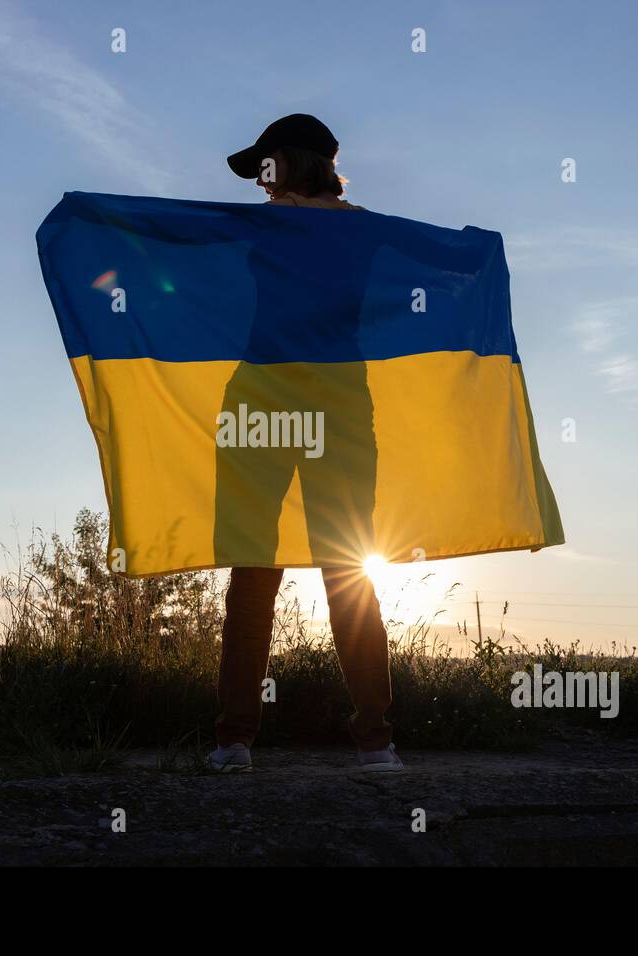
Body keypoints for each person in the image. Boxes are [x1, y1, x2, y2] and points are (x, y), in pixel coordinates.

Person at [208, 114, 403, 774]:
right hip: (260, 402)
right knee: (253, 565)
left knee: (347, 565)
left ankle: (375, 739)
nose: (260, 183)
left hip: (337, 405)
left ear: (294, 162)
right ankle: (234, 738)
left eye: (267, 167)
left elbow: (408, 272)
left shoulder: (358, 228)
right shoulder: (264, 225)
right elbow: (190, 247)